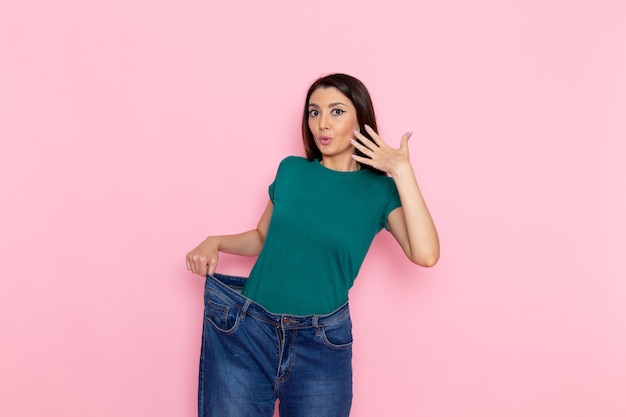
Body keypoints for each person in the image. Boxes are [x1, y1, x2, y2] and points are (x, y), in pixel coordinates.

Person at [186, 73, 439, 417]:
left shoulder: (379, 192)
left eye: (336, 112)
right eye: (314, 112)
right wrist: (216, 241)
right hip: (249, 332)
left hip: (320, 345)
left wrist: (402, 171)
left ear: (360, 119)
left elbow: (425, 254)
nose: (322, 123)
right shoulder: (291, 171)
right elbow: (263, 238)